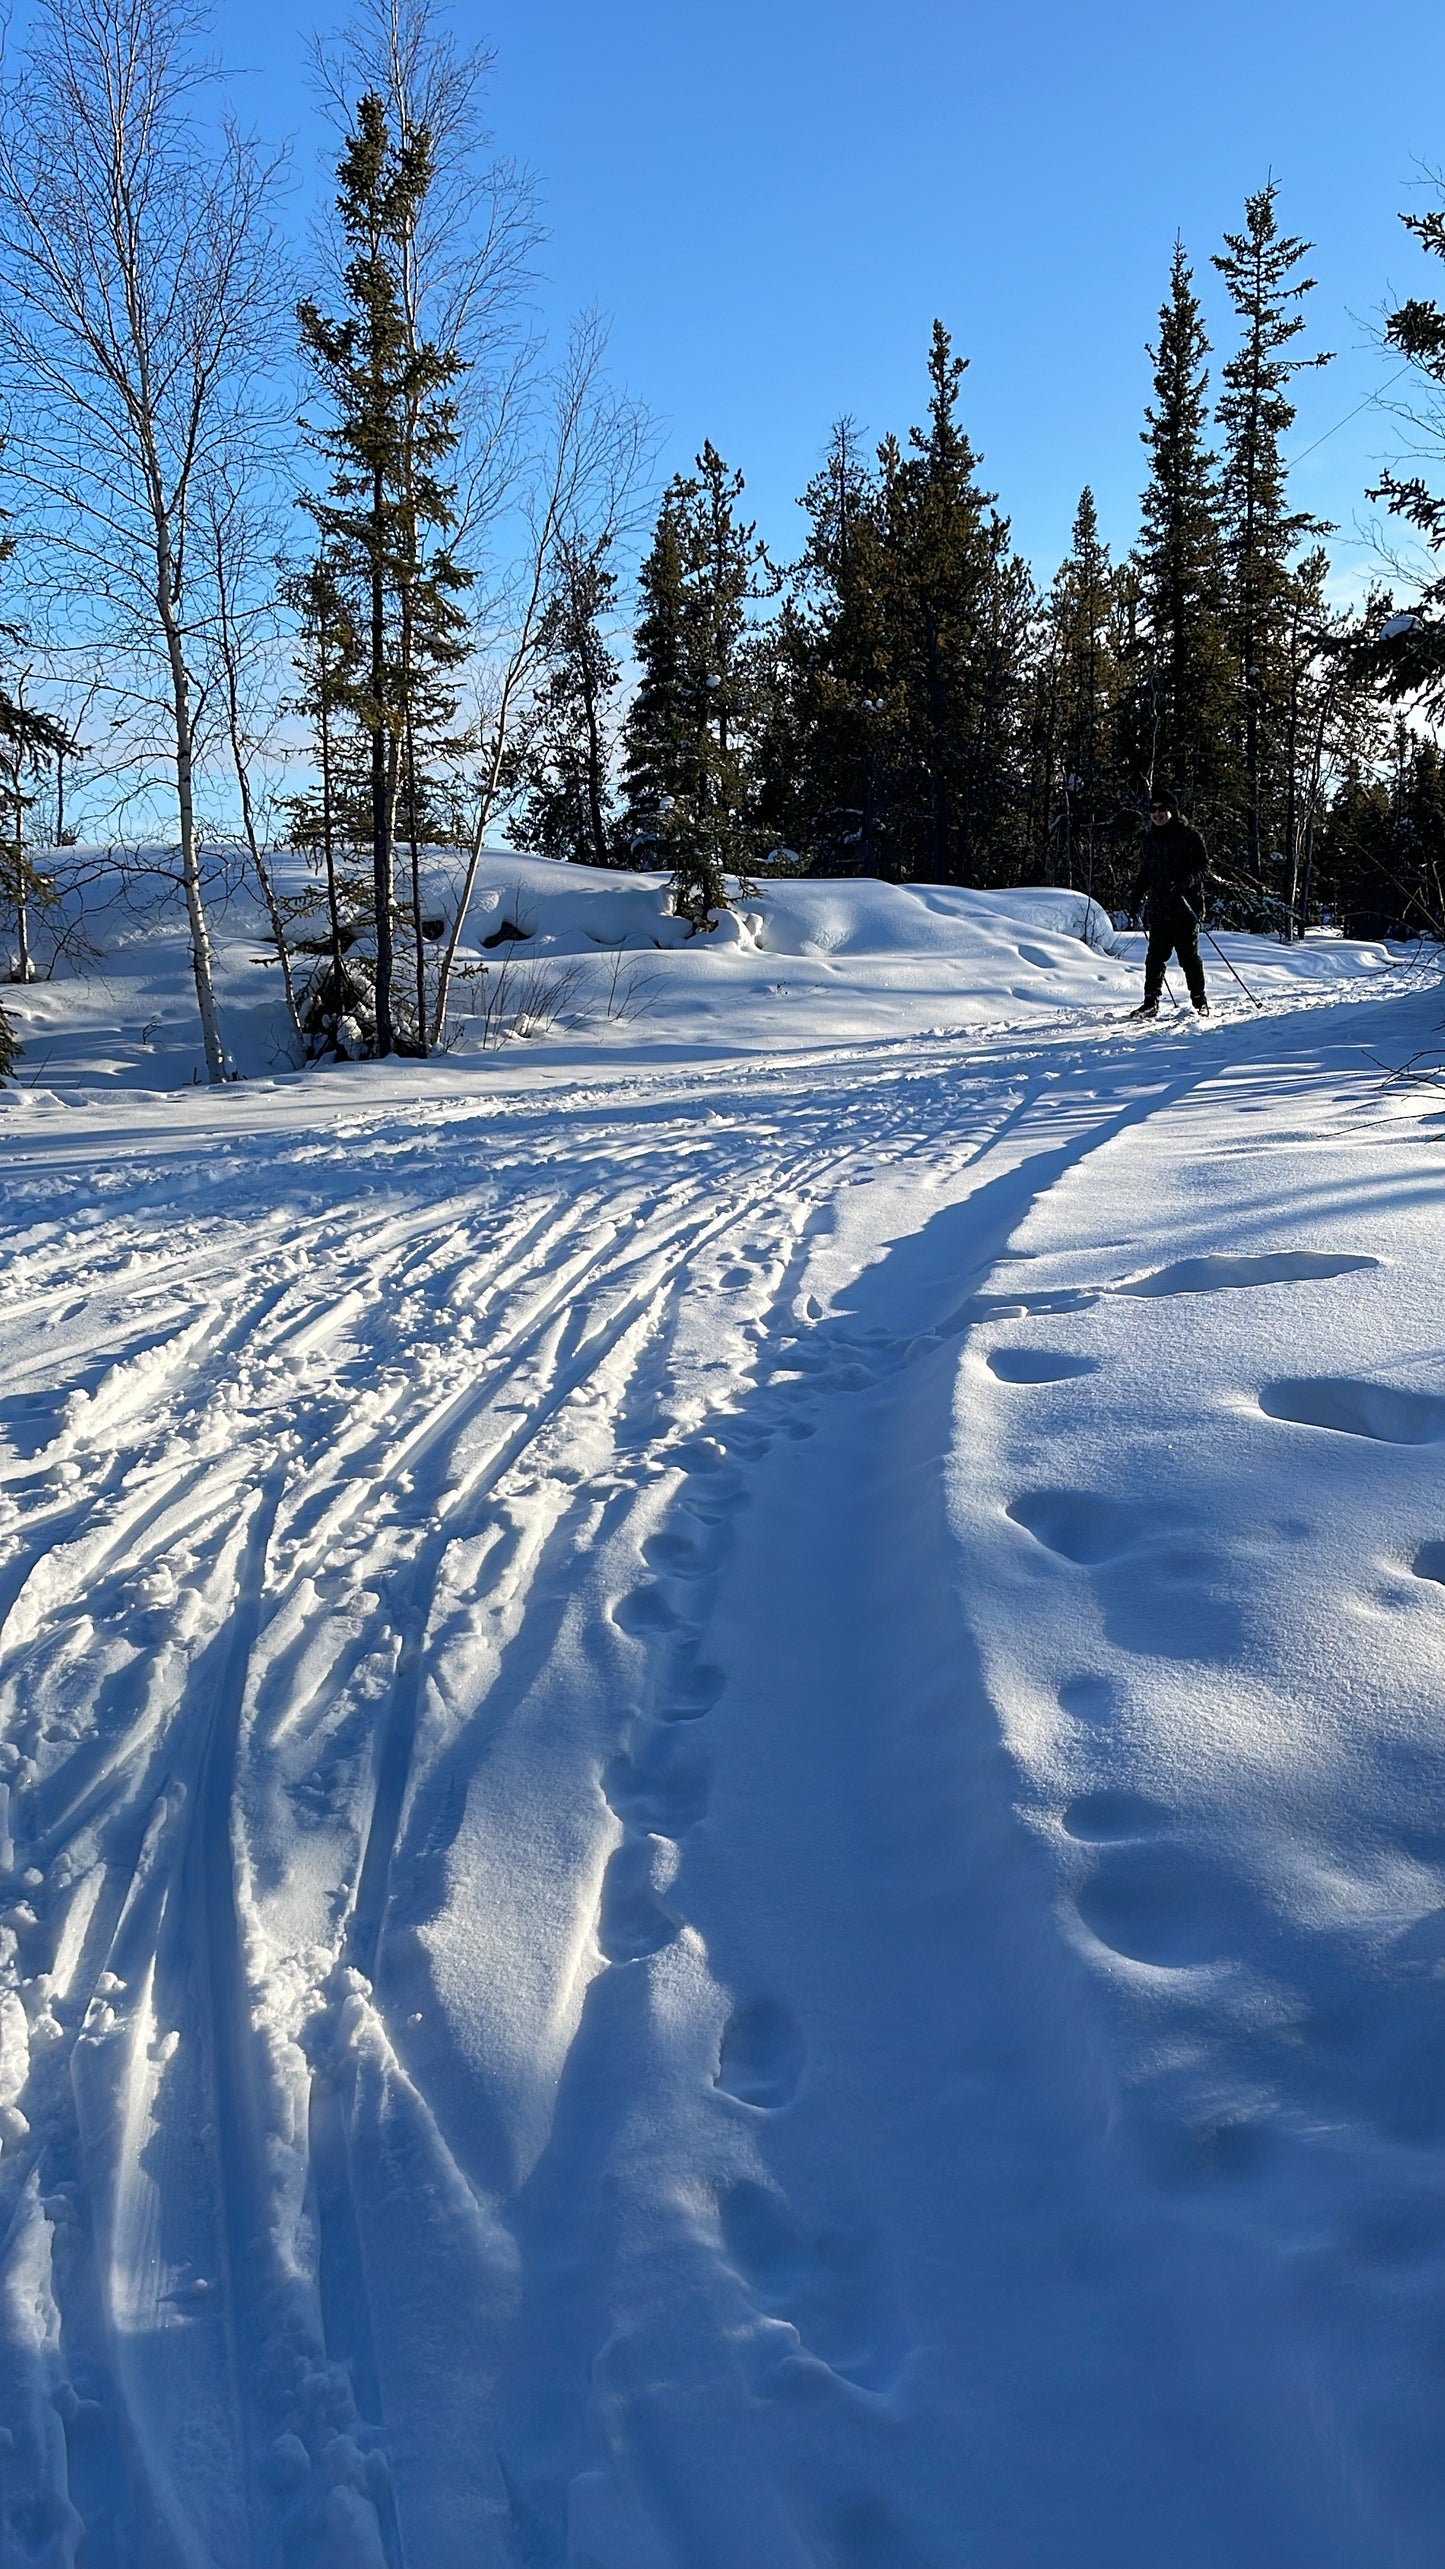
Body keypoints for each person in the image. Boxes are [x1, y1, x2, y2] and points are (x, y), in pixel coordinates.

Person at [1128, 792, 1209, 1018]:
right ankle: (1150, 1002)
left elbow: (1204, 868)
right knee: (1155, 957)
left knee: (1188, 957)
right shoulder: (1150, 838)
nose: (1157, 814)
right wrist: (1136, 897)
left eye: (1161, 809)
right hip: (1159, 907)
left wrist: (1185, 881)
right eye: (1153, 810)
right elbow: (1146, 871)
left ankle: (1199, 1001)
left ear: (1172, 811)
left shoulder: (1189, 836)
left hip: (1184, 907)